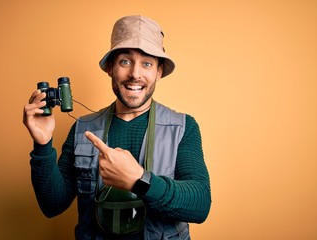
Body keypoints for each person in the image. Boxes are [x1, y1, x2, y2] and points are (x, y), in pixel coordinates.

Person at [23, 15, 211, 240]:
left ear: (159, 72)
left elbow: (200, 205)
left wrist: (138, 180)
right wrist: (42, 144)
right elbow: (52, 205)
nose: (135, 74)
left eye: (147, 63)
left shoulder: (183, 127)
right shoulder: (83, 129)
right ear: (110, 68)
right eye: (125, 61)